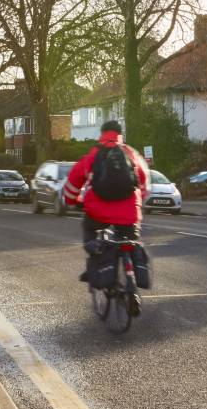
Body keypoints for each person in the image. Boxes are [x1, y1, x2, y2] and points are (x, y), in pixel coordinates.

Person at [63, 120, 150, 305]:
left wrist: (73, 201)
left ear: (101, 134)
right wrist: (137, 203)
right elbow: (145, 184)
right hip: (128, 214)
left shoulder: (93, 156)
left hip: (98, 213)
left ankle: (96, 255)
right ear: (120, 134)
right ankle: (131, 282)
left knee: (90, 233)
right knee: (129, 242)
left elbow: (72, 182)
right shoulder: (132, 155)